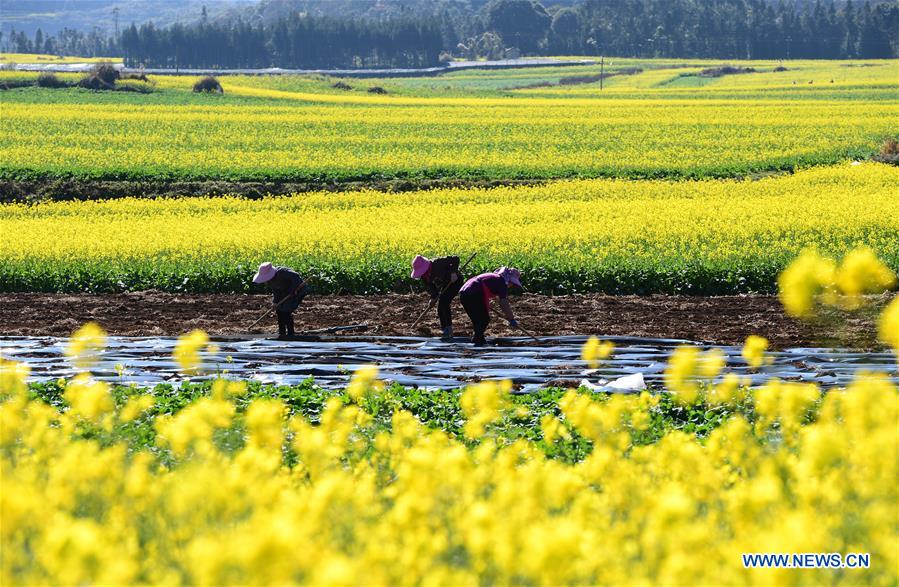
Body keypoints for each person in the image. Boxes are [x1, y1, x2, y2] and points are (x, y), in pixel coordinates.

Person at [459, 266, 522, 346]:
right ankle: (477, 341)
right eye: (512, 283)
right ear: (509, 280)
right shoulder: (501, 282)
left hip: (464, 293)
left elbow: (493, 296)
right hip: (474, 292)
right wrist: (511, 319)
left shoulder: (494, 278)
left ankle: (478, 340)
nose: (512, 285)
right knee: (484, 319)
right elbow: (503, 302)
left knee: (478, 321)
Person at [411, 254, 463, 341]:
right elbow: (431, 287)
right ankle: (445, 329)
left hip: (455, 281)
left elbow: (455, 258)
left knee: (444, 302)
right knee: (440, 307)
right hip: (445, 284)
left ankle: (448, 329)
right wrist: (433, 297)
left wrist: (453, 272)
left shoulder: (438, 262)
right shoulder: (424, 276)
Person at [252, 262, 308, 339]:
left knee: (286, 311)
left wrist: (293, 290)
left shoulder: (282, 272)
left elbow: (296, 277)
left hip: (298, 291)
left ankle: (291, 334)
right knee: (279, 310)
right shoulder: (270, 281)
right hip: (286, 292)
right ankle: (282, 333)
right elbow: (276, 291)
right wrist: (275, 302)